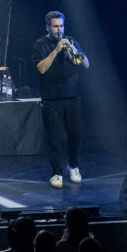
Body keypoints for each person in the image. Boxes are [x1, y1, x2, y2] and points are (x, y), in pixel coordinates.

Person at [31, 11, 90, 188]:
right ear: (47, 27)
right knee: (56, 138)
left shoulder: (71, 41)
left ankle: (74, 166)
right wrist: (56, 50)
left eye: (61, 26)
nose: (59, 30)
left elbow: (86, 64)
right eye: (55, 26)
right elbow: (41, 69)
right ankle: (57, 173)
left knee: (76, 135)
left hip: (73, 96)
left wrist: (74, 50)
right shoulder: (40, 44)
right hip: (52, 98)